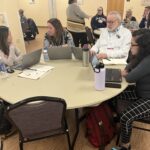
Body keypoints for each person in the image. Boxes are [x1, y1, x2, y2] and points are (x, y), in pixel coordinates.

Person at [111, 28, 150, 150]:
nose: (130, 47)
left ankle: (125, 146)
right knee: (114, 95)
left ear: (143, 46)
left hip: (148, 99)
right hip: (141, 93)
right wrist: (127, 69)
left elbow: (130, 78)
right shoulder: (143, 55)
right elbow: (130, 65)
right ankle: (117, 119)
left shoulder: (148, 60)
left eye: (132, 44)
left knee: (126, 117)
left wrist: (126, 73)